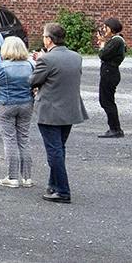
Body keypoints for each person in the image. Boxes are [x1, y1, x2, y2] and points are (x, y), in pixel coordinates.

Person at [29, 21, 86, 204]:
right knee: (59, 149)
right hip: (70, 109)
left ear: (49, 40)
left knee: (54, 152)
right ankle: (53, 184)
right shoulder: (76, 57)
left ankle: (62, 190)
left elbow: (33, 81)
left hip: (51, 110)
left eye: (44, 36)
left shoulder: (46, 59)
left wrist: (37, 62)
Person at [0, 36, 36, 188]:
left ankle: (12, 177)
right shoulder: (30, 65)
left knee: (10, 140)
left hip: (5, 104)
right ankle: (27, 178)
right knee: (24, 138)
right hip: (26, 104)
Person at [96, 17, 126, 138]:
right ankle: (114, 128)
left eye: (105, 27)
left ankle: (115, 129)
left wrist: (102, 44)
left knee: (107, 101)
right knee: (105, 100)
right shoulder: (115, 40)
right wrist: (103, 42)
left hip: (110, 72)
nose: (104, 29)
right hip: (109, 72)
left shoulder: (117, 40)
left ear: (111, 28)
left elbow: (103, 55)